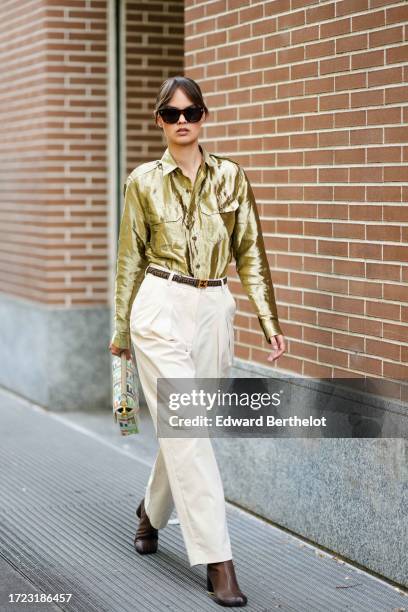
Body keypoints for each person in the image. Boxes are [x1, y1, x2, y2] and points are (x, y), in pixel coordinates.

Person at [109, 75, 286, 607]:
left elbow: (250, 250)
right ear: (159, 121)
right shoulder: (141, 181)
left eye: (191, 111)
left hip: (215, 306)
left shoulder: (232, 178)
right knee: (188, 430)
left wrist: (268, 319)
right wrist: (120, 333)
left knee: (190, 426)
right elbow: (129, 260)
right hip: (160, 305)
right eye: (171, 114)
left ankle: (150, 512)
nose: (182, 121)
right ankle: (219, 559)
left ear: (204, 116)